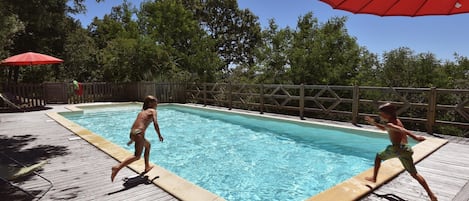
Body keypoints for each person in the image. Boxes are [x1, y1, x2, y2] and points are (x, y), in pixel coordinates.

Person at [364, 103, 437, 201]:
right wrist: (374, 123)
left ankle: (374, 178)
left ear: (388, 114)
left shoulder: (390, 124)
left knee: (378, 156)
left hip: (396, 149)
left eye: (381, 114)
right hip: (405, 149)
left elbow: (401, 130)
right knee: (414, 174)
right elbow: (387, 128)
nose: (379, 116)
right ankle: (431, 195)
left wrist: (415, 137)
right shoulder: (396, 121)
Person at [111, 95, 164, 182]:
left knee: (148, 145)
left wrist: (132, 139)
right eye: (156, 102)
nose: (157, 104)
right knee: (137, 156)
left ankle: (147, 166)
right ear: (150, 103)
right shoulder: (153, 111)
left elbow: (136, 125)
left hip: (133, 132)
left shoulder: (142, 112)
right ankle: (117, 167)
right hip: (139, 133)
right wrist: (159, 135)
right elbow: (155, 123)